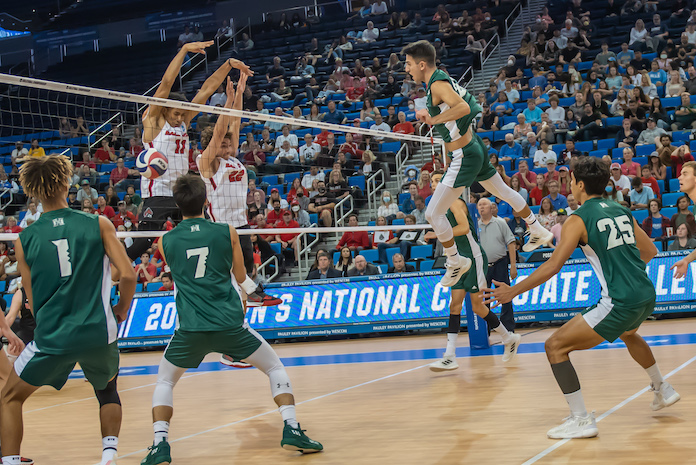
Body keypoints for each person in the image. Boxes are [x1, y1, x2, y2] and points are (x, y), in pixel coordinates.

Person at [484, 156, 679, 439]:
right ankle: (662, 387)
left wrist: (512, 291)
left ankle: (581, 419)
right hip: (646, 293)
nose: (570, 185)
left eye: (572, 181)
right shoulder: (621, 209)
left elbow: (554, 265)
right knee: (628, 334)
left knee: (554, 347)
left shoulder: (578, 218)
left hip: (620, 301)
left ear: (580, 185)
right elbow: (649, 251)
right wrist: (626, 271)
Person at [140, 175, 322, 465]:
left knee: (165, 381)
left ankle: (159, 444)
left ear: (177, 204)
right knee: (274, 367)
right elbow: (241, 277)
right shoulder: (227, 232)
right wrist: (253, 294)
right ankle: (292, 428)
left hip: (190, 328)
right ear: (206, 201)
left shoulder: (165, 241)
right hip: (229, 324)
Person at [2, 155, 136, 465]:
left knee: (9, 397)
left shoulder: (24, 239)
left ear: (33, 191)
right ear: (66, 184)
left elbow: (31, 297)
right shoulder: (99, 223)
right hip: (98, 331)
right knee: (107, 390)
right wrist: (120, 310)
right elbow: (128, 275)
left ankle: (9, 462)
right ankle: (109, 455)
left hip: (54, 336)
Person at [403, 40, 553, 290]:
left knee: (433, 213)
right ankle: (537, 228)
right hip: (472, 147)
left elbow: (463, 108)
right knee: (503, 192)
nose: (406, 69)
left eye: (408, 64)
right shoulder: (440, 81)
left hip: (465, 154)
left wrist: (434, 119)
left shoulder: (437, 84)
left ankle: (455, 261)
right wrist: (433, 117)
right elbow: (461, 108)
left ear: (421, 64)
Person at [128, 40, 251, 262]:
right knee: (144, 241)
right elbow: (166, 83)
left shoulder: (183, 121)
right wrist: (184, 50)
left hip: (182, 192)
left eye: (181, 113)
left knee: (200, 237)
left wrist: (228, 65)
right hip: (159, 193)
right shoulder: (154, 121)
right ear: (165, 110)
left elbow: (207, 89)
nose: (179, 117)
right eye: (175, 113)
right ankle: (114, 267)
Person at [196, 75, 281, 307]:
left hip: (241, 224)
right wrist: (227, 102)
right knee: (230, 276)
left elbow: (234, 123)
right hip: (222, 227)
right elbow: (220, 130)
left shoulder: (233, 160)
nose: (227, 148)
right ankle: (224, 311)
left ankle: (244, 315)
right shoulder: (207, 162)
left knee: (247, 272)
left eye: (228, 144)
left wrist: (238, 95)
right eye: (222, 145)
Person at [429, 197, 520, 371]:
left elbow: (463, 228)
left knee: (478, 307)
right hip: (458, 260)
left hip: (473, 258)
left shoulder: (455, 202)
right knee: (454, 306)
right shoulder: (440, 207)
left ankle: (509, 338)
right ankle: (449, 356)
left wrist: (438, 234)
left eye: (436, 183)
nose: (434, 187)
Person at [476, 197, 518, 332]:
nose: (482, 207)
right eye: (479, 205)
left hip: (500, 263)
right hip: (483, 266)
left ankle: (508, 328)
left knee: (505, 295)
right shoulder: (475, 226)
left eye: (484, 204)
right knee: (483, 298)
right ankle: (485, 329)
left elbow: (511, 243)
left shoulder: (500, 222)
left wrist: (513, 265)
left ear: (491, 207)